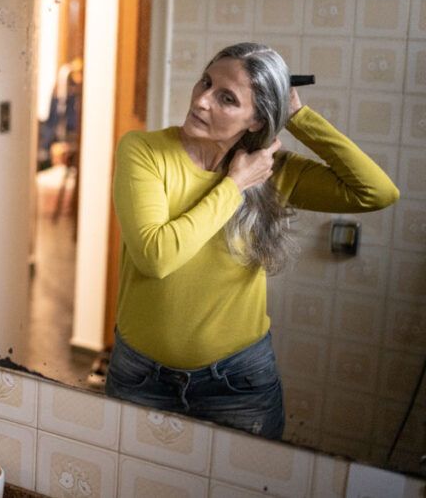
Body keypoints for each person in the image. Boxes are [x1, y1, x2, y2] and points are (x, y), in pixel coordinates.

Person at [105, 43, 399, 440]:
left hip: (238, 383)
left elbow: (376, 192)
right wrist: (234, 185)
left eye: (227, 98)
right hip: (140, 375)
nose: (202, 101)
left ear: (257, 120)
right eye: (205, 83)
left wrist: (297, 115)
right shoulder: (145, 150)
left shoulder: (273, 173)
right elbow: (156, 257)